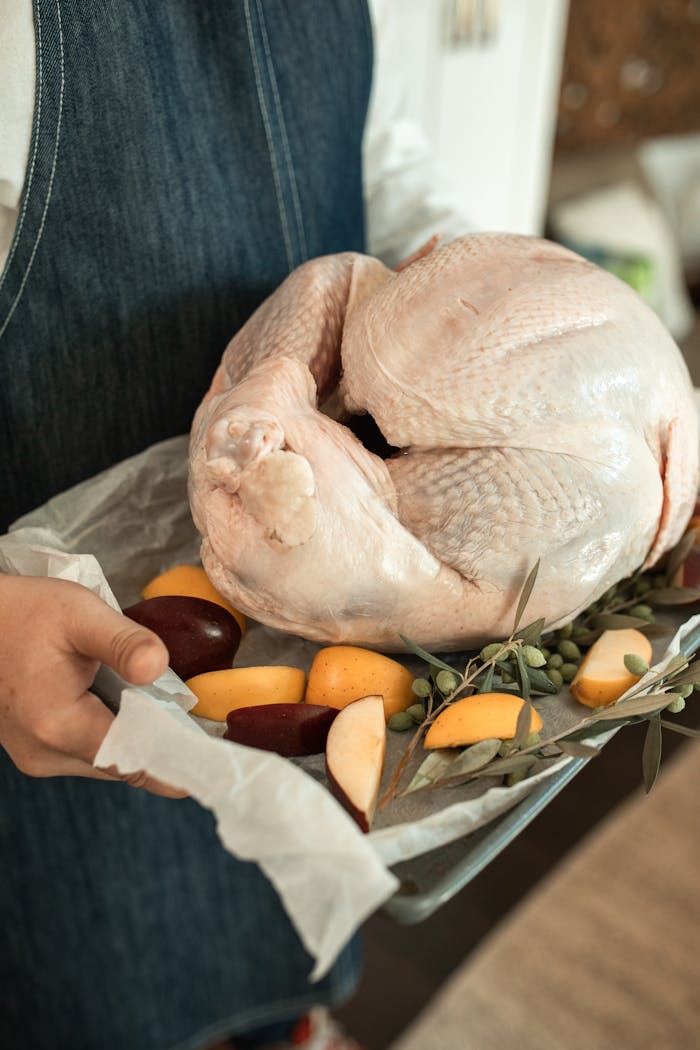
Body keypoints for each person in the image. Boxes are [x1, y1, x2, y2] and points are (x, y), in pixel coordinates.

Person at [0, 2, 472, 1048]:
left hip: (316, 642)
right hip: (55, 697)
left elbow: (382, 162)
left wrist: (478, 286)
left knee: (281, 962)